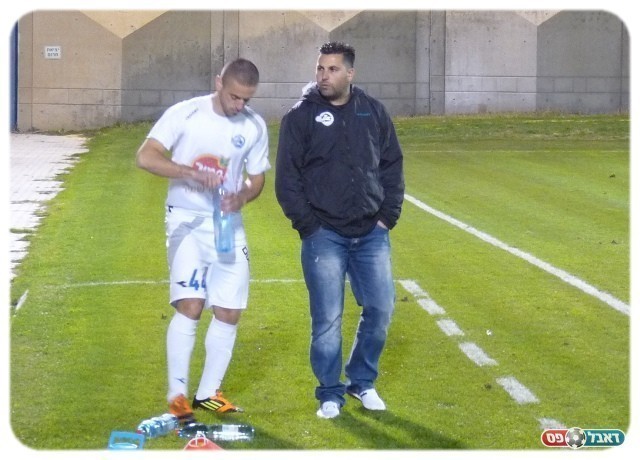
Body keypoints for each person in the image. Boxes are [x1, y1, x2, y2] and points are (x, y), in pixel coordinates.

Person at [136, 58, 270, 423]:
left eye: (246, 99)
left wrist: (242, 197)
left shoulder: (254, 125)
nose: (239, 105)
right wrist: (190, 173)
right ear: (219, 83)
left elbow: (257, 178)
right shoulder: (185, 113)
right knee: (191, 304)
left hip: (227, 225)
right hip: (187, 221)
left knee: (229, 309)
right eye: (234, 97)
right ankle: (177, 396)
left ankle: (209, 393)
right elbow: (145, 157)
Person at [275, 42, 404, 419]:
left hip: (371, 233)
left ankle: (361, 381)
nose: (324, 76)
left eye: (332, 69)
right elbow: (287, 180)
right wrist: (309, 226)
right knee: (327, 320)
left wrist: (387, 216)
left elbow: (391, 166)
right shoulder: (300, 116)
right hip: (324, 235)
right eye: (320, 68)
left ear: (350, 73)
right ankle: (330, 393)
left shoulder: (373, 111)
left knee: (380, 308)